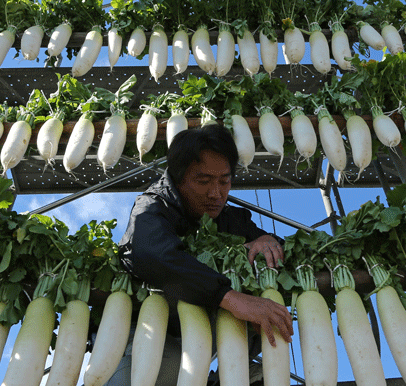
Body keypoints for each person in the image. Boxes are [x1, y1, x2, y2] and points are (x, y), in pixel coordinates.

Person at [118, 123, 293, 345]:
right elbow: (153, 253)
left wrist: (269, 240)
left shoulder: (229, 219)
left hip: (205, 336)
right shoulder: (153, 206)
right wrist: (230, 298)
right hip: (148, 333)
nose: (216, 194)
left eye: (224, 181)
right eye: (203, 182)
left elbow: (262, 240)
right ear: (178, 179)